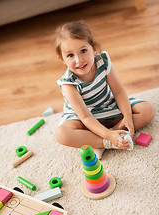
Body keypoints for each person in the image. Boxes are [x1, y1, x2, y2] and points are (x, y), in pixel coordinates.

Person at [54, 21, 155, 158]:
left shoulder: (103, 61)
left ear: (94, 49)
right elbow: (85, 117)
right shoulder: (68, 84)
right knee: (62, 134)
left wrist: (127, 117)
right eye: (70, 55)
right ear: (62, 59)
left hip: (108, 105)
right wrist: (107, 136)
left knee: (147, 109)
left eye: (83, 51)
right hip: (84, 117)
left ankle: (114, 134)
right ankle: (105, 142)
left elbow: (118, 91)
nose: (79, 60)